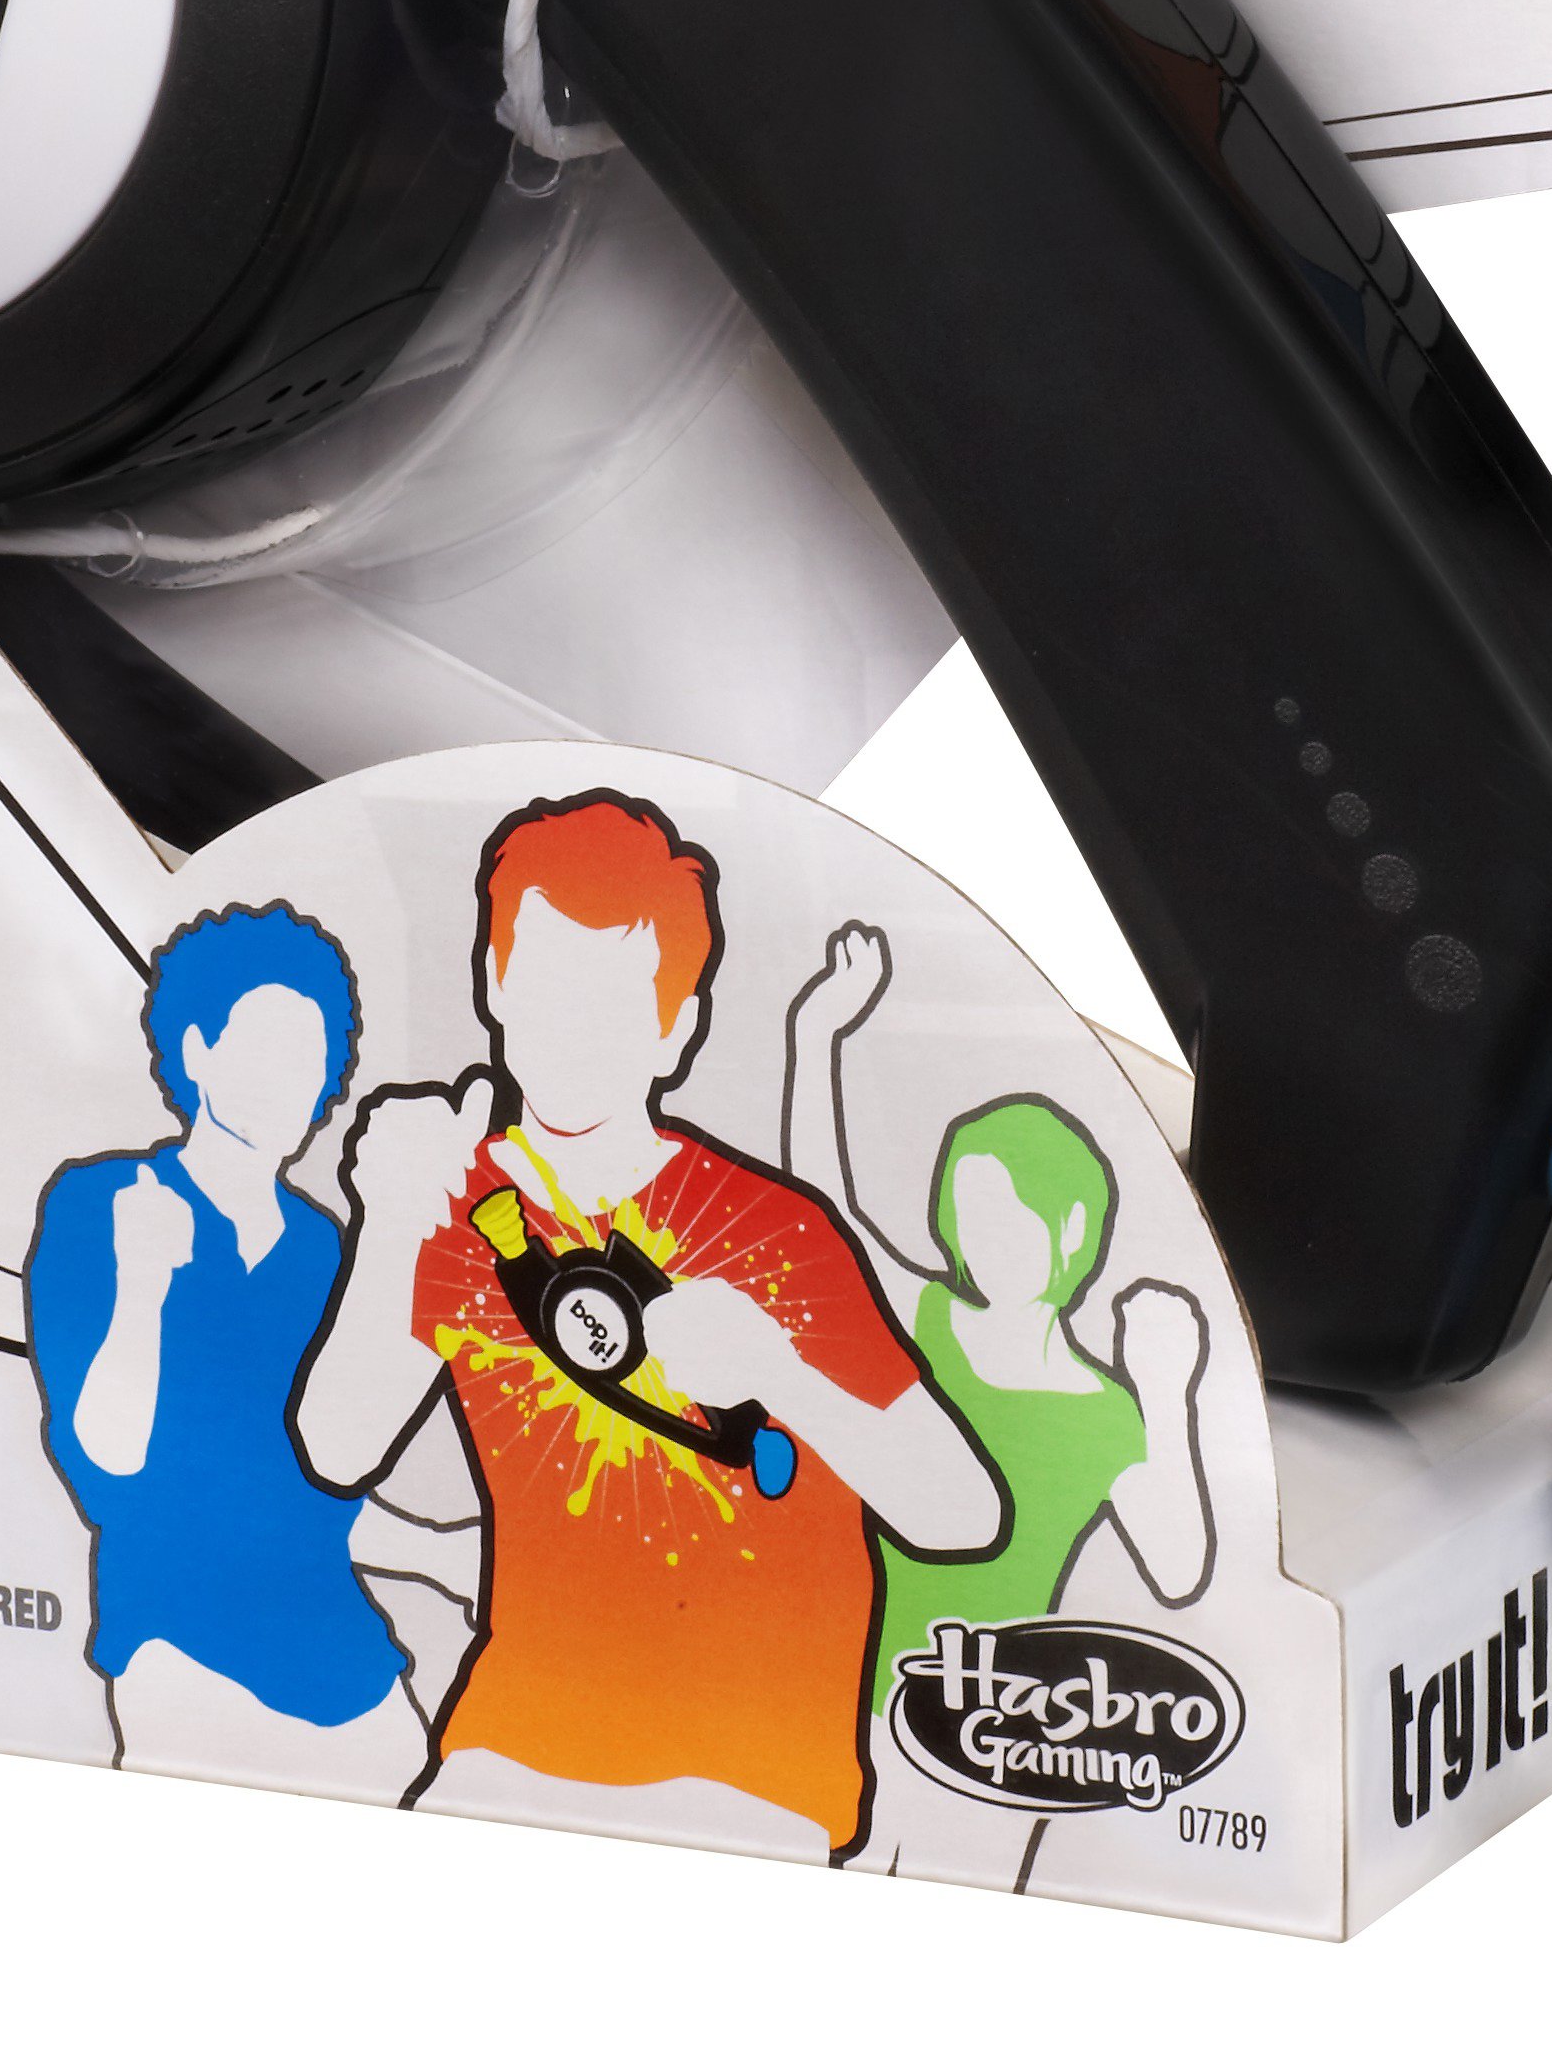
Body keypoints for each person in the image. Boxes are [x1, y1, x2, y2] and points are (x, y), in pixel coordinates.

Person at [297, 793, 1000, 1863]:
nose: (571, 1037)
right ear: (492, 980)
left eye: (615, 1004)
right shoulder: (455, 1202)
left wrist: (776, 1371)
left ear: (676, 1028)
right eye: (544, 984)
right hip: (516, 1735)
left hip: (750, 1768)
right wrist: (390, 1218)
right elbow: (336, 1445)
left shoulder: (772, 1230)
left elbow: (959, 1510)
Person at [781, 920, 1216, 1883]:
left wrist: (1167, 1389)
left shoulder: (1105, 1408)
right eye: (966, 1210)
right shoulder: (930, 1318)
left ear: (1071, 1227)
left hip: (993, 1728)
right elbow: (827, 1221)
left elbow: (1179, 1565)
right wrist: (817, 1037)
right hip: (853, 1684)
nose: (981, 1237)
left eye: (1006, 1213)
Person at [26, 901, 447, 1799]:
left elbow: (313, 1493)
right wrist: (142, 1284)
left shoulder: (321, 1249)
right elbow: (106, 1460)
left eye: (310, 1058)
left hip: (341, 1658)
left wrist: (443, 1554)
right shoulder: (103, 1202)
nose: (290, 1082)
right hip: (178, 1643)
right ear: (195, 1051)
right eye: (261, 1049)